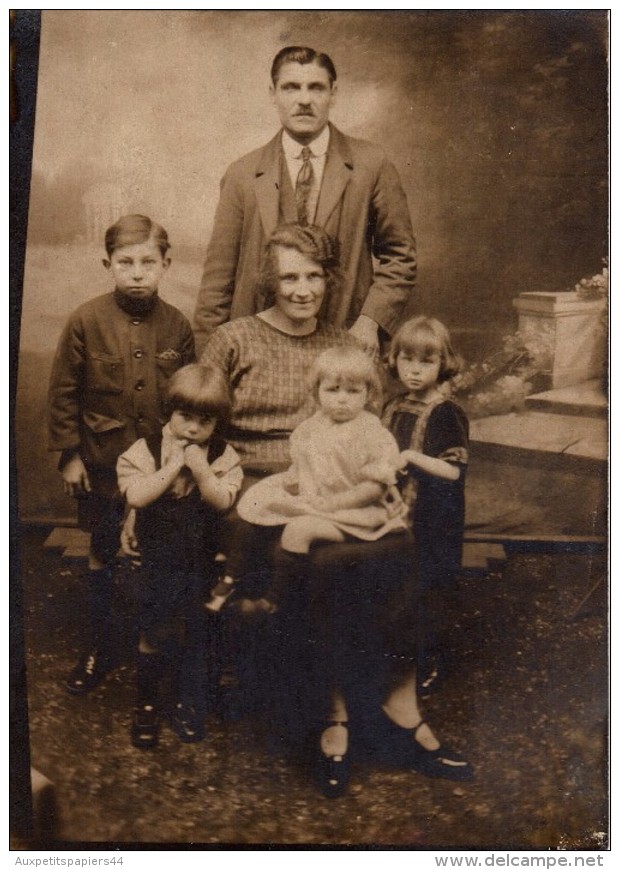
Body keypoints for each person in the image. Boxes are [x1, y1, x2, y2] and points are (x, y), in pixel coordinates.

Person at [199, 224, 472, 796]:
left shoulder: (343, 348)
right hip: (262, 481)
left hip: (344, 491)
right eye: (289, 276)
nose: (301, 289)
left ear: (329, 280)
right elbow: (199, 423)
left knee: (393, 551)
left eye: (313, 276)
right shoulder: (233, 339)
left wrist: (376, 476)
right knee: (318, 558)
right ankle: (335, 711)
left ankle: (395, 702)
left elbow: (374, 432)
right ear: (269, 280)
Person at [47, 214, 195, 696]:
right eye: (125, 262)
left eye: (148, 262)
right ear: (107, 263)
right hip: (101, 463)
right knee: (103, 550)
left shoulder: (176, 326)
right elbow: (63, 393)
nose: (137, 272)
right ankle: (100, 646)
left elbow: (188, 403)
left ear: (165, 264)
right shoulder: (85, 321)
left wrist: (179, 465)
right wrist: (69, 456)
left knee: (156, 553)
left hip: (157, 467)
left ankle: (154, 650)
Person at [193, 45, 417, 357]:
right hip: (258, 352)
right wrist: (209, 365)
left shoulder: (371, 165)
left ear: (333, 94)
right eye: (291, 87)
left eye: (316, 87)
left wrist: (369, 322)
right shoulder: (242, 174)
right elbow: (218, 281)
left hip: (344, 344)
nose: (304, 100)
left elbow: (400, 257)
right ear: (273, 94)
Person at [116, 364, 243, 749]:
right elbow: (136, 496)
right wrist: (174, 465)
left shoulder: (223, 454)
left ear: (217, 422)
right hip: (156, 560)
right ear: (168, 411)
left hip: (203, 560)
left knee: (198, 633)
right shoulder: (145, 450)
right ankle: (148, 703)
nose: (192, 429)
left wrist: (202, 471)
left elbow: (222, 501)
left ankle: (191, 703)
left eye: (204, 421)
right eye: (184, 417)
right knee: (154, 630)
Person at [231, 345, 409, 617]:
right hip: (320, 502)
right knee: (258, 501)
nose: (342, 400)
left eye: (353, 391)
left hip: (360, 513)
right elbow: (305, 470)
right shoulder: (309, 429)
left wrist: (331, 504)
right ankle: (233, 581)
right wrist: (300, 493)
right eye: (332, 390)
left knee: (299, 530)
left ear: (368, 394)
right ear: (316, 393)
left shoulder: (372, 432)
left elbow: (374, 488)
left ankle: (274, 601)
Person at [382, 316, 469, 697]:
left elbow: (452, 471)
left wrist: (410, 457)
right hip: (395, 510)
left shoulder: (445, 412)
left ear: (443, 363)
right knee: (394, 585)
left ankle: (426, 659)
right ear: (395, 360)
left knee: (425, 590)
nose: (415, 370)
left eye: (426, 361)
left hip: (434, 519)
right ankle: (392, 659)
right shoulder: (393, 405)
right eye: (407, 359)